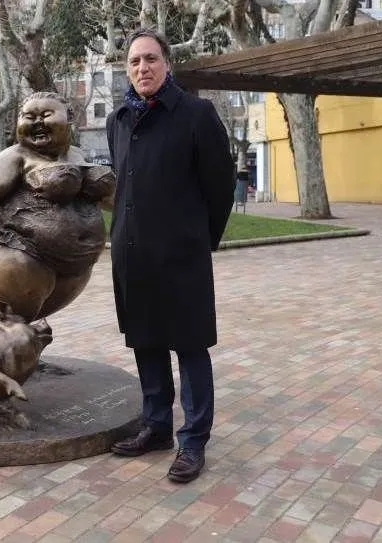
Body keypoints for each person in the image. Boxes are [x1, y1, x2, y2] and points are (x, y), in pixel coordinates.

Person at [105, 28, 235, 484]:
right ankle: (156, 426)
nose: (143, 68)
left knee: (190, 347)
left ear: (167, 64)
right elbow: (125, 184)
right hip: (132, 253)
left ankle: (193, 440)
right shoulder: (118, 118)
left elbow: (221, 187)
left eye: (151, 59)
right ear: (127, 69)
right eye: (135, 61)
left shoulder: (196, 115)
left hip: (181, 256)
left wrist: (201, 240)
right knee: (146, 342)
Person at [0, 91, 115, 329]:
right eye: (29, 116)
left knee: (14, 319)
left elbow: (112, 198)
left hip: (73, 267)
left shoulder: (77, 154)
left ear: (68, 119)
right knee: (10, 311)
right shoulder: (17, 156)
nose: (37, 122)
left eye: (46, 114)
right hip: (22, 257)